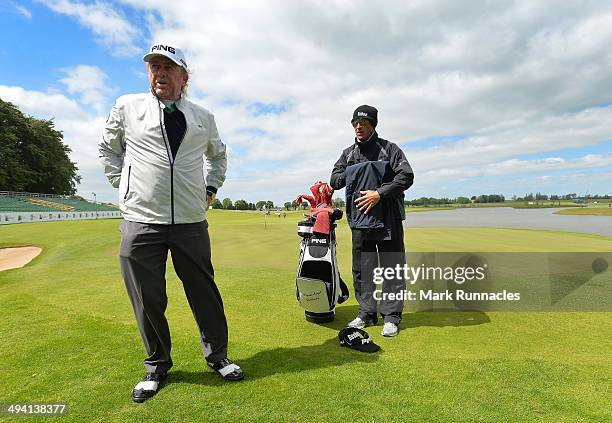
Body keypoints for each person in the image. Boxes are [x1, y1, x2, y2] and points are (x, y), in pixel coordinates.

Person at [99, 42, 243, 403]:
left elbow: (218, 156)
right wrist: (125, 186)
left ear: (184, 76)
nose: (159, 74)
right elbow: (108, 149)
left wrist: (210, 188)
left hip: (190, 220)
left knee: (204, 293)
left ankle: (218, 357)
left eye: (168, 68)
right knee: (147, 298)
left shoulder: (202, 116)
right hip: (141, 219)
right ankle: (156, 366)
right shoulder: (127, 106)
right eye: (154, 67)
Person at [330, 105, 414, 337]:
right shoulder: (348, 154)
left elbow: (406, 176)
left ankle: (391, 317)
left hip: (389, 220)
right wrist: (357, 171)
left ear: (373, 125)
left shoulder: (390, 149)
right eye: (355, 124)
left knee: (392, 269)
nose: (359, 127)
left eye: (364, 124)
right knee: (363, 270)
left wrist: (379, 193)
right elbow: (335, 179)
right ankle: (367, 313)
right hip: (360, 220)